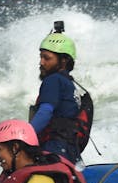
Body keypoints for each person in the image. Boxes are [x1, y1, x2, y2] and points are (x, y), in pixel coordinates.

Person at [29, 21, 93, 164]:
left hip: (54, 151)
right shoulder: (70, 85)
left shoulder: (53, 80)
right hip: (71, 154)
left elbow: (45, 112)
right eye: (40, 57)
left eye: (47, 58)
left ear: (63, 61)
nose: (41, 62)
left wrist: (24, 136)